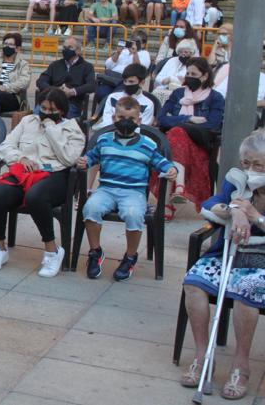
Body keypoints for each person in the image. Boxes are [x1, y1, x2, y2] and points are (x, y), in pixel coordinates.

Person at [180, 130, 265, 400]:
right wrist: (234, 209)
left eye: (258, 165)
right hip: (227, 253)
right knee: (193, 283)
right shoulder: (236, 180)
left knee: (246, 292)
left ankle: (241, 365)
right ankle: (203, 356)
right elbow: (211, 203)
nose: (250, 170)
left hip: (260, 259)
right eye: (246, 163)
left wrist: (256, 217)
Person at [0, 89, 86, 277]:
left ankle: (52, 251)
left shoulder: (72, 129)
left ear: (62, 110)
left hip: (54, 174)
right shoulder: (28, 121)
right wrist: (20, 158)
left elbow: (69, 159)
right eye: (43, 108)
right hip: (24, 172)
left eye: (52, 109)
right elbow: (6, 146)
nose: (46, 113)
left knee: (36, 197)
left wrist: (52, 129)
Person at [78, 98, 176, 282]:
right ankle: (95, 252)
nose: (125, 122)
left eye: (131, 119)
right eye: (121, 117)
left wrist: (170, 169)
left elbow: (161, 162)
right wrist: (85, 161)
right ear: (114, 118)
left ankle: (130, 257)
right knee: (91, 209)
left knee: (133, 214)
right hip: (106, 189)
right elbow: (92, 157)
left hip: (134, 192)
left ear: (139, 121)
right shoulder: (104, 139)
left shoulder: (147, 144)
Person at [157, 56, 224, 220]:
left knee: (177, 133)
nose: (189, 77)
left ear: (205, 76)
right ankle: (179, 188)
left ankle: (167, 202)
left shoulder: (215, 97)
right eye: (188, 73)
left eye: (194, 74)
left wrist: (182, 125)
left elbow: (213, 125)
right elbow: (161, 118)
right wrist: (187, 120)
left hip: (199, 143)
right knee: (177, 134)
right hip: (175, 141)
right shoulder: (178, 93)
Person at [35, 36, 95, 119]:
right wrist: (56, 91)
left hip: (71, 103)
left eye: (70, 47)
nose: (66, 50)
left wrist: (72, 92)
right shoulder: (55, 65)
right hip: (49, 101)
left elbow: (91, 85)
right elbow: (41, 81)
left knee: (62, 124)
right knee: (36, 118)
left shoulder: (87, 67)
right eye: (64, 47)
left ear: (78, 50)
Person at [93, 63, 158, 129]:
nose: (127, 84)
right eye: (125, 81)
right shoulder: (113, 97)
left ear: (142, 82)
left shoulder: (148, 104)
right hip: (111, 134)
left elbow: (143, 127)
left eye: (131, 81)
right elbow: (107, 121)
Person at [153, 39, 199, 104]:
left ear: (191, 53)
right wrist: (164, 81)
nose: (183, 54)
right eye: (180, 52)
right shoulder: (171, 60)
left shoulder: (194, 64)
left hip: (183, 94)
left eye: (186, 52)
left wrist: (171, 79)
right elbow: (158, 78)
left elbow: (187, 81)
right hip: (164, 89)